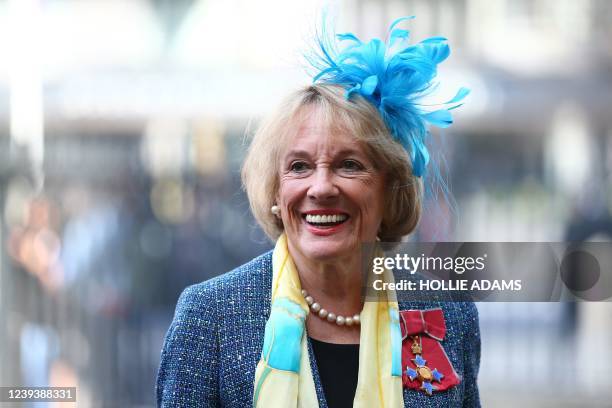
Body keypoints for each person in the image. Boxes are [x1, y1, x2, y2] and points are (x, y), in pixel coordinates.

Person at [157, 17, 479, 407]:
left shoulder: (449, 314)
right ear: (276, 191)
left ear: (389, 190)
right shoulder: (210, 319)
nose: (322, 187)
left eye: (349, 164)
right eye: (299, 166)